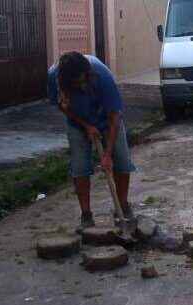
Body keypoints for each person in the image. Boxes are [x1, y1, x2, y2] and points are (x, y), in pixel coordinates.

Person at [47, 52, 136, 232]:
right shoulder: (54, 77)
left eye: (83, 81)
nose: (81, 85)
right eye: (76, 84)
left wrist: (107, 154)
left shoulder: (101, 76)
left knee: (122, 161)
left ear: (88, 74)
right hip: (78, 122)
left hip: (107, 120)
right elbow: (61, 105)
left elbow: (114, 116)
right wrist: (86, 126)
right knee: (79, 166)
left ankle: (123, 206)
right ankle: (86, 215)